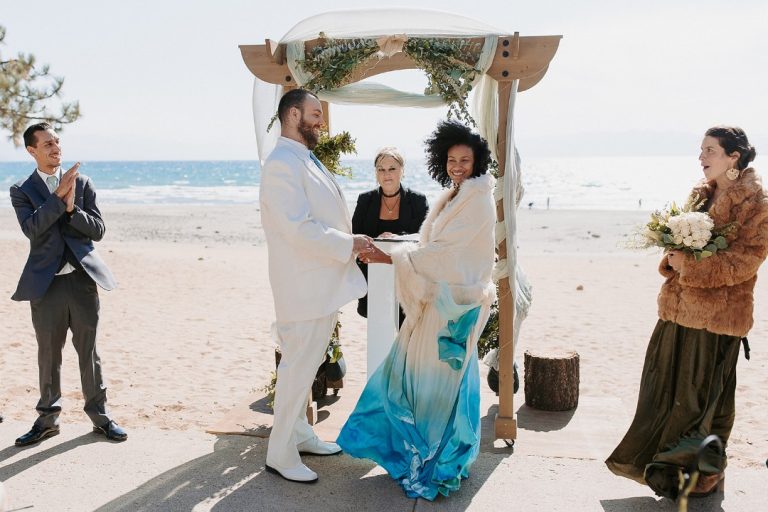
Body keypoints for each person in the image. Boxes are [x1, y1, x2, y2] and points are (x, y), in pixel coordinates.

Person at [337, 120, 497, 500]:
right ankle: (420, 448)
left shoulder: (477, 199)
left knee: (438, 382)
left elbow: (447, 255)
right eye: (452, 159)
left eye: (465, 159)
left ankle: (437, 459)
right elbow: (437, 250)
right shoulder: (457, 194)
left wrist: (392, 257)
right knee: (416, 376)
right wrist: (395, 256)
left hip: (454, 305)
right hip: (440, 300)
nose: (458, 165)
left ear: (478, 161)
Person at [606, 126, 768, 499]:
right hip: (677, 310)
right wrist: (672, 259)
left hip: (718, 317)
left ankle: (705, 473)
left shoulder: (756, 203)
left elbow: (747, 261)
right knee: (661, 390)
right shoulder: (700, 195)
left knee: (702, 399)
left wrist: (690, 266)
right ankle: (671, 466)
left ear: (734, 157)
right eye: (701, 150)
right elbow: (680, 248)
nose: (701, 157)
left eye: (710, 150)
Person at [259, 89, 374, 483]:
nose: (320, 122)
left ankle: (301, 433)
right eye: (314, 114)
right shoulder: (280, 163)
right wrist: (350, 243)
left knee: (308, 364)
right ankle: (280, 452)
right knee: (297, 366)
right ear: (293, 115)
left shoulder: (302, 158)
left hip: (320, 283)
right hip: (302, 286)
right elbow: (297, 227)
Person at [10, 123, 126, 446]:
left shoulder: (84, 183)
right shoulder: (21, 190)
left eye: (57, 141)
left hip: (82, 282)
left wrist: (73, 208)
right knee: (48, 355)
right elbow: (32, 228)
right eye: (47, 143)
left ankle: (101, 418)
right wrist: (59, 199)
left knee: (89, 352)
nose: (55, 147)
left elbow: (98, 230)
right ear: (32, 151)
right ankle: (47, 420)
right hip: (45, 287)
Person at [352, 147, 428, 321]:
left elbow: (424, 239)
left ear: (402, 170)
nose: (387, 174)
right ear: (376, 173)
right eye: (381, 169)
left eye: (392, 168)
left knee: (407, 332)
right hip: (373, 280)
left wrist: (396, 238)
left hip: (406, 278)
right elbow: (355, 236)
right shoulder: (365, 200)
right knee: (378, 337)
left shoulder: (418, 201)